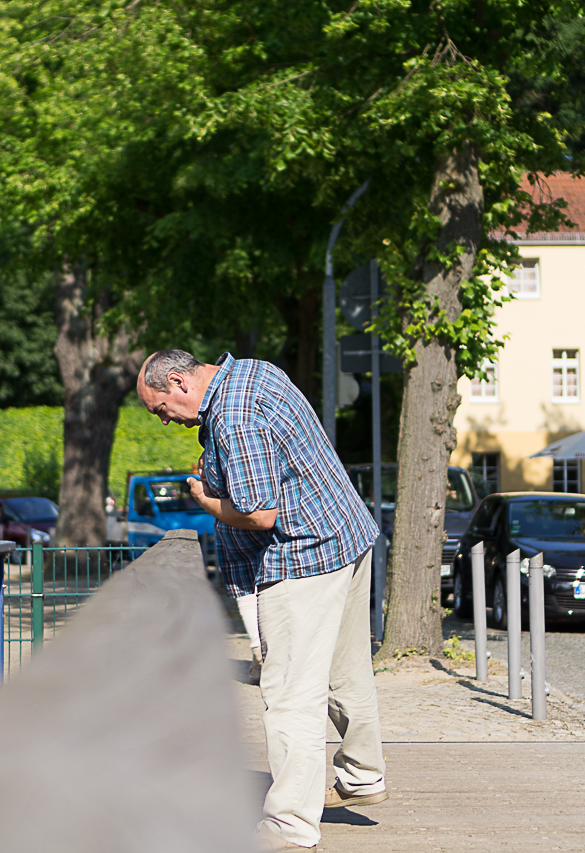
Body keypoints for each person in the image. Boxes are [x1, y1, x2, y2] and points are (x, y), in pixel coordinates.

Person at [138, 349, 385, 852]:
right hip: (347, 536)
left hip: (304, 559)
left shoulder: (232, 415)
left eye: (160, 408)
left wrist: (208, 502)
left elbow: (260, 513)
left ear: (180, 382)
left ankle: (291, 823)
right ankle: (362, 775)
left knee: (291, 693)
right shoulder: (253, 372)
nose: (165, 419)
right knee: (347, 671)